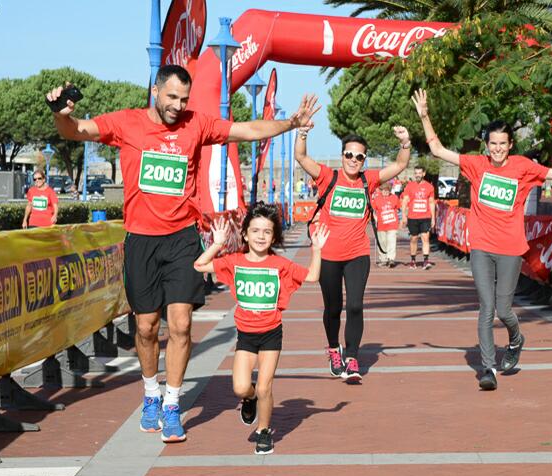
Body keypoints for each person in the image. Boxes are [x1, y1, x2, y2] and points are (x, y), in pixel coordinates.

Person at [47, 65, 319, 443]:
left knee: (181, 325)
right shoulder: (126, 123)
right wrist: (61, 112)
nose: (178, 105)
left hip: (181, 240)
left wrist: (291, 123)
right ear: (155, 91)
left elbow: (247, 130)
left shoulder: (196, 124)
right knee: (146, 327)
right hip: (141, 240)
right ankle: (151, 394)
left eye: (184, 99)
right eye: (171, 97)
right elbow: (76, 130)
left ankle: (172, 404)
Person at [412, 88, 552, 391]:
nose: (497, 149)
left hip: (510, 249)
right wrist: (424, 115)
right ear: (486, 145)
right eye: (492, 144)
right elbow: (438, 150)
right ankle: (488, 368)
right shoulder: (476, 164)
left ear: (510, 145)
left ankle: (516, 338)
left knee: (504, 310)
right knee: (486, 308)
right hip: (481, 246)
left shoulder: (523, 166)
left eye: (502, 144)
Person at [194, 203, 329, 453]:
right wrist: (217, 243)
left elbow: (312, 276)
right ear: (245, 234)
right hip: (245, 336)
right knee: (240, 387)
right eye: (255, 231)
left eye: (267, 232)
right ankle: (250, 398)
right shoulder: (234, 261)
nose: (260, 236)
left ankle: (263, 431)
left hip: (271, 334)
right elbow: (200, 266)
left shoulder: (280, 264)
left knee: (266, 386)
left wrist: (317, 249)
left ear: (274, 236)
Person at [295, 124, 411, 382]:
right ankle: (333, 349)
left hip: (358, 253)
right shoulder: (328, 176)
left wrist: (405, 143)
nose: (353, 160)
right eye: (349, 155)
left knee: (356, 305)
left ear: (364, 160)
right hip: (328, 255)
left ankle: (352, 357)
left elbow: (400, 165)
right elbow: (301, 157)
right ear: (342, 156)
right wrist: (302, 133)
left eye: (359, 157)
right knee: (333, 307)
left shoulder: (368, 180)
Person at [400, 165, 436, 269]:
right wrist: (403, 216)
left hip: (425, 216)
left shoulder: (429, 187)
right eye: (416, 173)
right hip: (413, 217)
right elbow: (405, 201)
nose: (417, 175)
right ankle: (413, 260)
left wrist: (433, 218)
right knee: (414, 239)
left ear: (423, 174)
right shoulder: (409, 186)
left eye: (419, 173)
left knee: (425, 238)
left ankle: (426, 261)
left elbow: (431, 203)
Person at [371, 181, 400, 268]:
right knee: (382, 242)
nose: (385, 192)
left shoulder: (394, 198)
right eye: (383, 190)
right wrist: (375, 218)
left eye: (387, 190)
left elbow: (398, 208)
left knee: (391, 241)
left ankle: (391, 259)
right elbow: (373, 210)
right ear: (381, 191)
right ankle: (383, 259)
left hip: (392, 224)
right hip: (381, 225)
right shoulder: (377, 199)